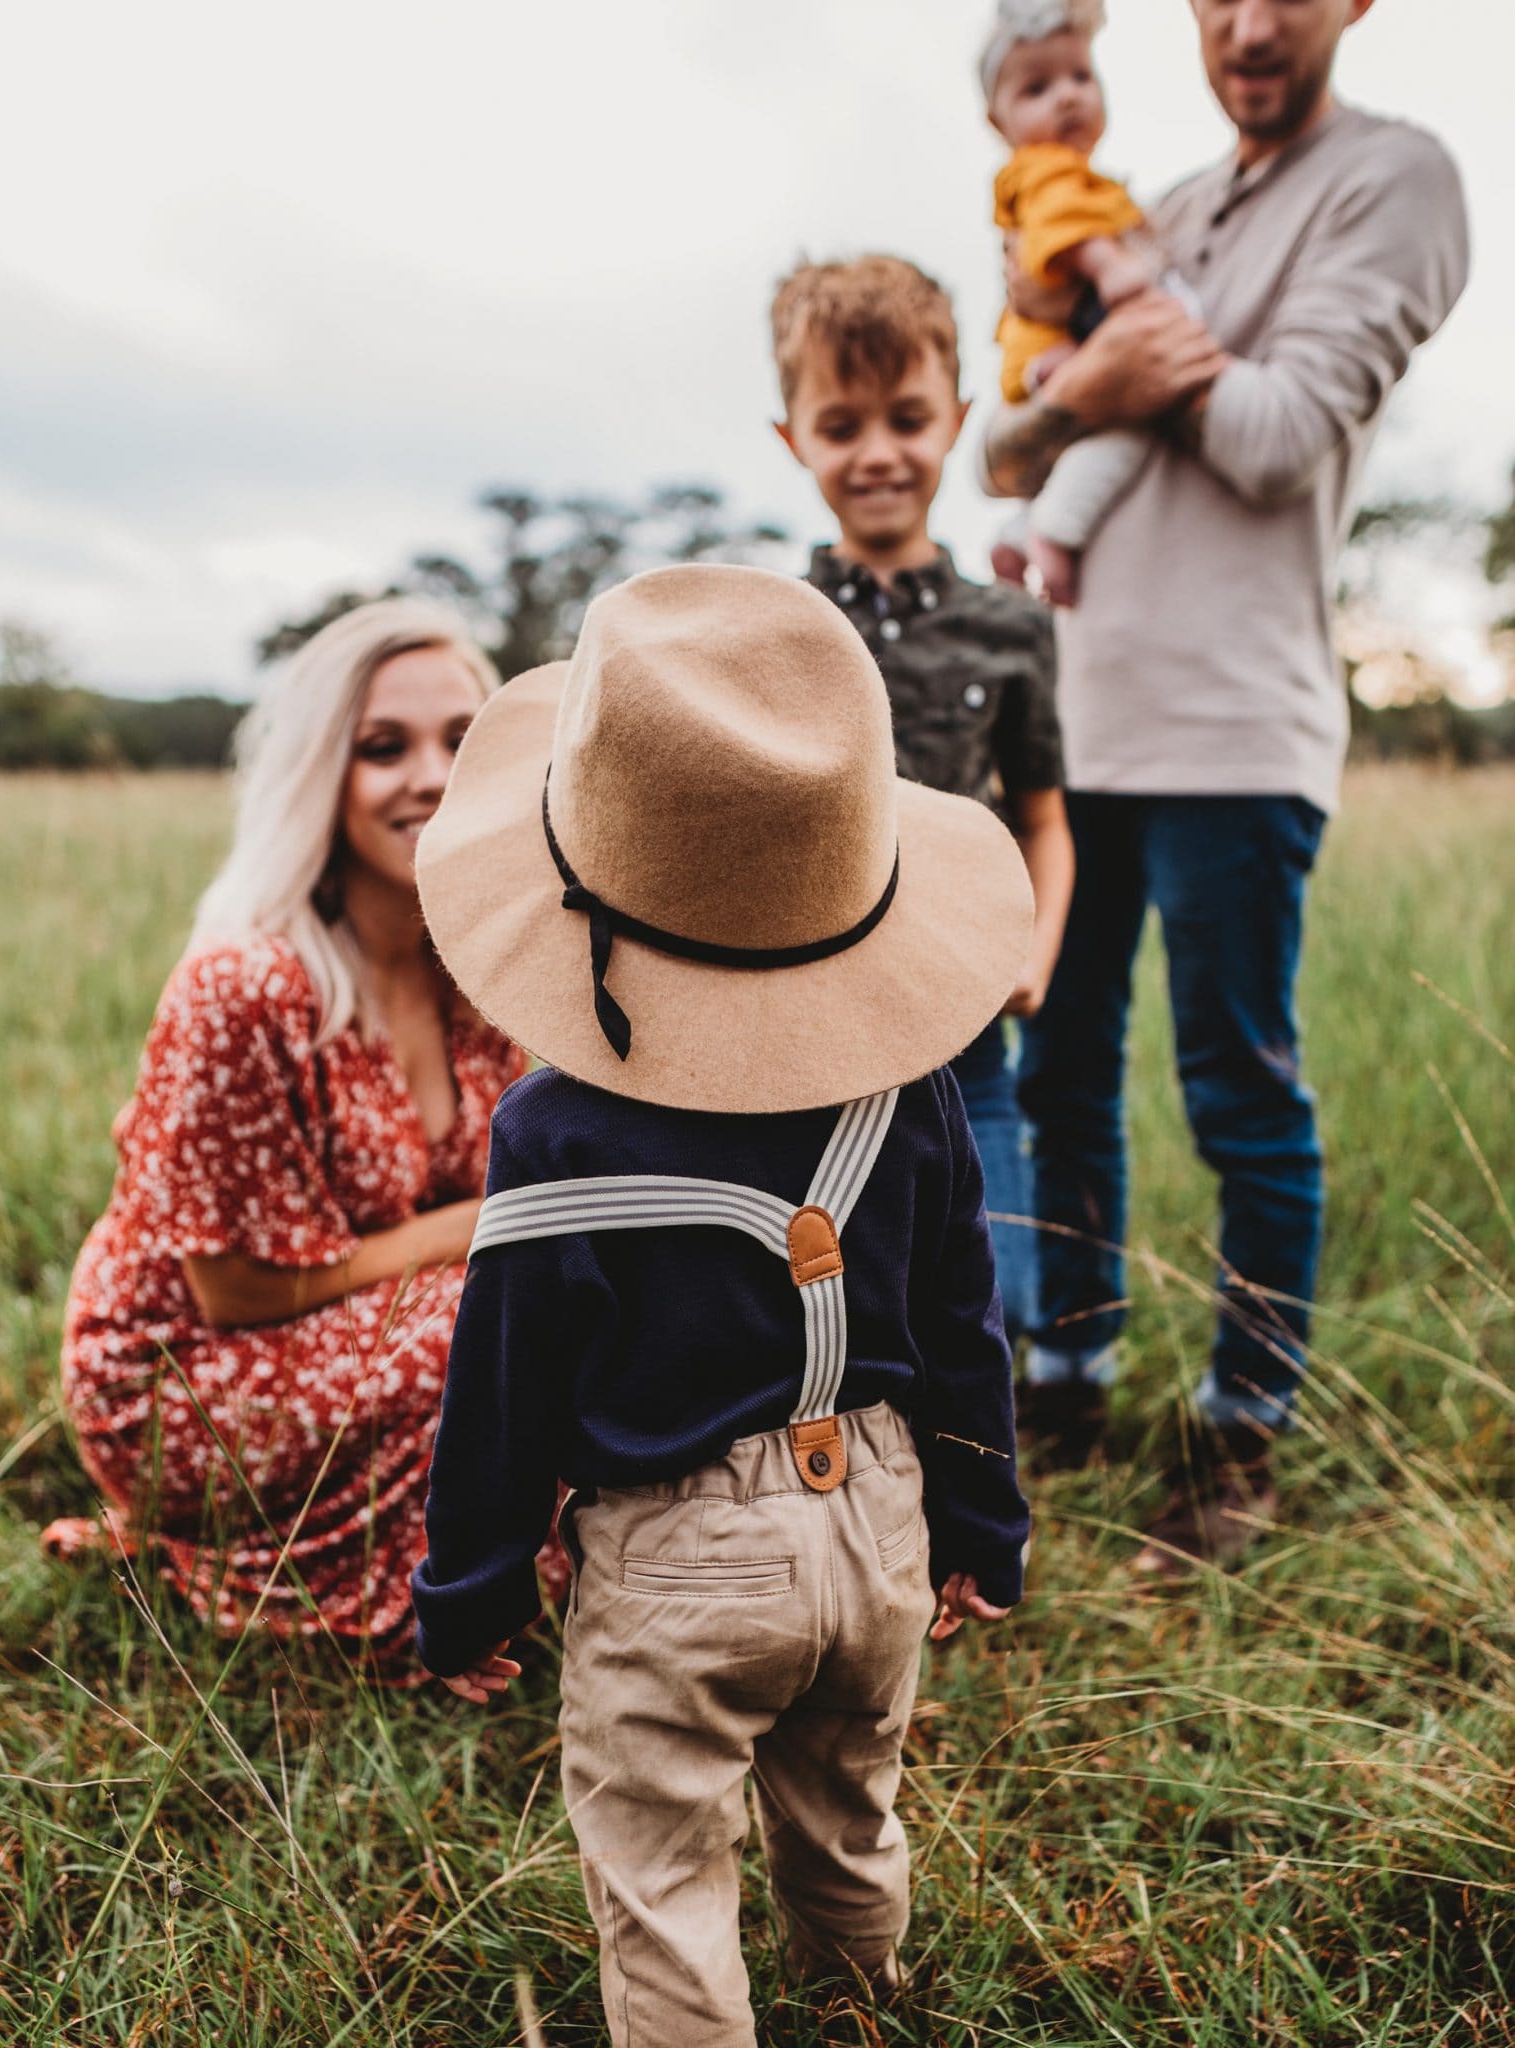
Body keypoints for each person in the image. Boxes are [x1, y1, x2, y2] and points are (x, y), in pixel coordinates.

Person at [409, 564, 1034, 2043]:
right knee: (847, 1810)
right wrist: (982, 1522)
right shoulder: (919, 1090)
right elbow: (965, 1330)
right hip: (879, 1526)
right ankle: (863, 1996)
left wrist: (470, 1592)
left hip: (677, 1560)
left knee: (663, 1870)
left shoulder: (552, 1133)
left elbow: (501, 1393)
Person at [980, 0, 1470, 1554]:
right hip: (1072, 723)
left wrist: (1104, 379)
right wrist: (1089, 386)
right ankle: (1068, 1371)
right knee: (1056, 1074)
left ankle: (1238, 1432)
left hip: (1231, 730)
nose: (1249, 23)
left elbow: (1264, 436)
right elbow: (1003, 447)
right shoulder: (1160, 205)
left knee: (1234, 1088)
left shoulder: (1395, 179)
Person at [49, 598, 552, 1670]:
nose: (431, 773)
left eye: (464, 741)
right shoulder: (250, 981)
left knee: (566, 1290)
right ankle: (411, 1591)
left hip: (363, 1319)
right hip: (190, 1371)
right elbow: (232, 1290)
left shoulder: (484, 964)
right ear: (321, 775)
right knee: (522, 1306)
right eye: (383, 747)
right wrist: (491, 1222)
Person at [770, 252, 1073, 1346]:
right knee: (827, 1258)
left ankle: (989, 1455)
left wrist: (1031, 953)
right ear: (792, 439)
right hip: (805, 1013)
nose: (879, 453)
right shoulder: (775, 622)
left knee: (982, 1257)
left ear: (956, 418)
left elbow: (1041, 815)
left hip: (965, 1017)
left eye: (907, 418)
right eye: (841, 426)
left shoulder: (1013, 625)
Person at [979, 0, 1183, 607]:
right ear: (998, 119)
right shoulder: (1046, 172)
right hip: (1056, 352)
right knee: (1126, 434)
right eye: (1037, 88)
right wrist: (1112, 266)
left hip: (1057, 349)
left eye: (1081, 77)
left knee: (1090, 441)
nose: (1067, 97)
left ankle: (1021, 529)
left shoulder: (1080, 174)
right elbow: (1066, 232)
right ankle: (1057, 534)